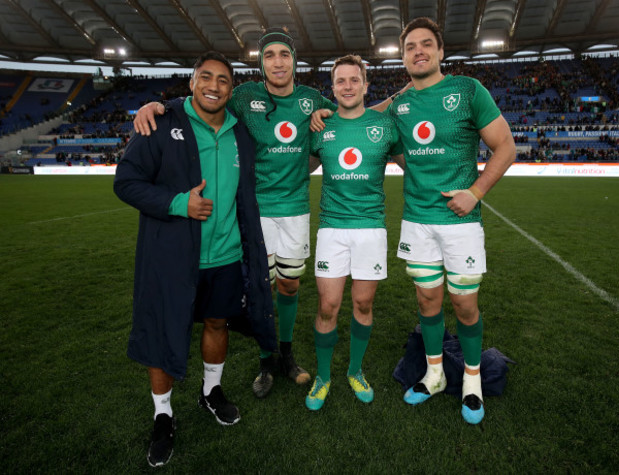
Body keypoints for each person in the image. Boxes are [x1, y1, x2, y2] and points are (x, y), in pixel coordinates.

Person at [133, 28, 339, 399]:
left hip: (295, 210)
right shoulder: (244, 96)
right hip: (254, 211)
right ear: (261, 63)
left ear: (294, 60)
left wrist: (332, 110)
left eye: (285, 54)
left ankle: (287, 356)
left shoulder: (312, 98)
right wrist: (158, 106)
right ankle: (266, 359)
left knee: (290, 286)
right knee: (262, 288)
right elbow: (206, 100)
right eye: (270, 54)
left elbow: (350, 110)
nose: (278, 61)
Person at [114, 51, 274, 467]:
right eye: (206, 77)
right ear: (191, 83)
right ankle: (163, 414)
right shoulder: (161, 122)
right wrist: (178, 203)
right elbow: (126, 182)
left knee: (218, 322)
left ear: (231, 89)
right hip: (171, 258)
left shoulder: (241, 135)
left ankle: (210, 392)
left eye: (223, 80)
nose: (214, 86)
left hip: (226, 256)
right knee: (163, 332)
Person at [388, 17, 516, 424]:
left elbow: (506, 146)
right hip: (418, 220)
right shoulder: (399, 104)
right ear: (403, 56)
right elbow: (364, 119)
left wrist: (474, 192)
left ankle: (473, 381)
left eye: (427, 44)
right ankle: (436, 373)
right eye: (410, 46)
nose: (419, 51)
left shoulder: (466, 90)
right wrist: (327, 112)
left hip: (461, 222)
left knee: (463, 303)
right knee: (427, 300)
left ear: (441, 52)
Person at [305, 55, 403, 411]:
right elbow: (298, 169)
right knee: (328, 306)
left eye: (353, 80)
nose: (347, 86)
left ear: (365, 85)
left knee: (363, 303)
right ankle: (323, 376)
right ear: (332, 88)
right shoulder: (320, 128)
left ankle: (356, 370)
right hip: (332, 229)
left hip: (371, 229)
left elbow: (416, 166)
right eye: (340, 81)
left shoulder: (385, 126)